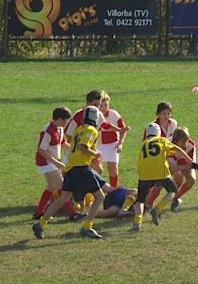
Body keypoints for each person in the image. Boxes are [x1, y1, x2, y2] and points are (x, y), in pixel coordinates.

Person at [32, 106, 110, 240]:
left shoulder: (78, 129)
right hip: (81, 169)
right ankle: (87, 227)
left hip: (70, 168)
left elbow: (73, 146)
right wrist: (95, 154)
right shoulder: (91, 130)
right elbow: (82, 147)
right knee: (100, 197)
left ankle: (40, 223)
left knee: (63, 198)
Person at [132, 123, 198, 231]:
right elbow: (177, 150)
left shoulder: (144, 143)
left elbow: (139, 160)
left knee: (140, 200)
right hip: (160, 171)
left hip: (144, 173)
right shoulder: (163, 140)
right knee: (173, 190)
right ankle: (157, 209)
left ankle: (137, 222)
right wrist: (191, 162)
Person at [33, 106, 85, 221]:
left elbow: (62, 143)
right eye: (66, 120)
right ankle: (72, 213)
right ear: (60, 119)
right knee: (62, 186)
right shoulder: (47, 130)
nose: (67, 123)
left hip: (53, 162)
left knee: (51, 187)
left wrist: (76, 149)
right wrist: (56, 163)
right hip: (45, 162)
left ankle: (38, 212)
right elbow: (41, 150)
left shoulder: (60, 129)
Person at [142, 101, 179, 207]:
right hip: (157, 158)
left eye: (168, 113)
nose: (166, 116)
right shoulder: (152, 127)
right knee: (157, 182)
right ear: (158, 114)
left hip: (170, 154)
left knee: (177, 174)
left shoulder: (173, 123)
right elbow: (145, 144)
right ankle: (147, 203)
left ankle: (174, 198)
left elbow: (175, 140)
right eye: (163, 113)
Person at [98, 91, 128, 188]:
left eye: (106, 105)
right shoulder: (94, 115)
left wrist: (120, 143)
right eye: (101, 105)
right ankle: (92, 193)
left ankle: (113, 191)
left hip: (112, 144)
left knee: (113, 169)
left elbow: (123, 129)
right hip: (97, 144)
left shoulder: (114, 114)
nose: (103, 108)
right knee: (96, 169)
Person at [169, 127, 197, 212]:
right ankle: (150, 204)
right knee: (178, 176)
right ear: (175, 141)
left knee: (192, 179)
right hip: (169, 165)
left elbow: (192, 163)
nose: (185, 144)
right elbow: (172, 166)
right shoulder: (169, 145)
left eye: (187, 140)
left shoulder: (191, 144)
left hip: (183, 163)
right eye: (183, 142)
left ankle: (176, 198)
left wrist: (188, 165)